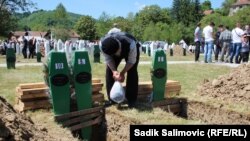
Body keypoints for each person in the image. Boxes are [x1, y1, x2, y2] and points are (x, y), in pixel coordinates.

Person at [100, 32, 140, 108]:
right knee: (109, 71)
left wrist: (122, 73)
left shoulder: (131, 43)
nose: (117, 56)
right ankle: (112, 99)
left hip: (130, 50)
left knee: (132, 72)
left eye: (116, 53)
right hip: (114, 50)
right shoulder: (103, 45)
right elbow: (108, 59)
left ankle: (131, 100)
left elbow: (131, 61)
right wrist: (114, 71)